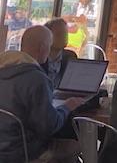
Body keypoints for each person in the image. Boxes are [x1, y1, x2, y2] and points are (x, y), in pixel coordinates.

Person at [0, 25, 84, 162]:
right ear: (43, 48)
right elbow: (49, 126)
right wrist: (67, 106)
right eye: (49, 47)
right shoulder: (36, 79)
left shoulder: (4, 68)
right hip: (23, 152)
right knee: (75, 146)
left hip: (4, 147)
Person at [41, 17, 78, 89]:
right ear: (47, 37)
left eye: (65, 33)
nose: (64, 37)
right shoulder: (39, 57)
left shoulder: (70, 56)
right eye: (59, 34)